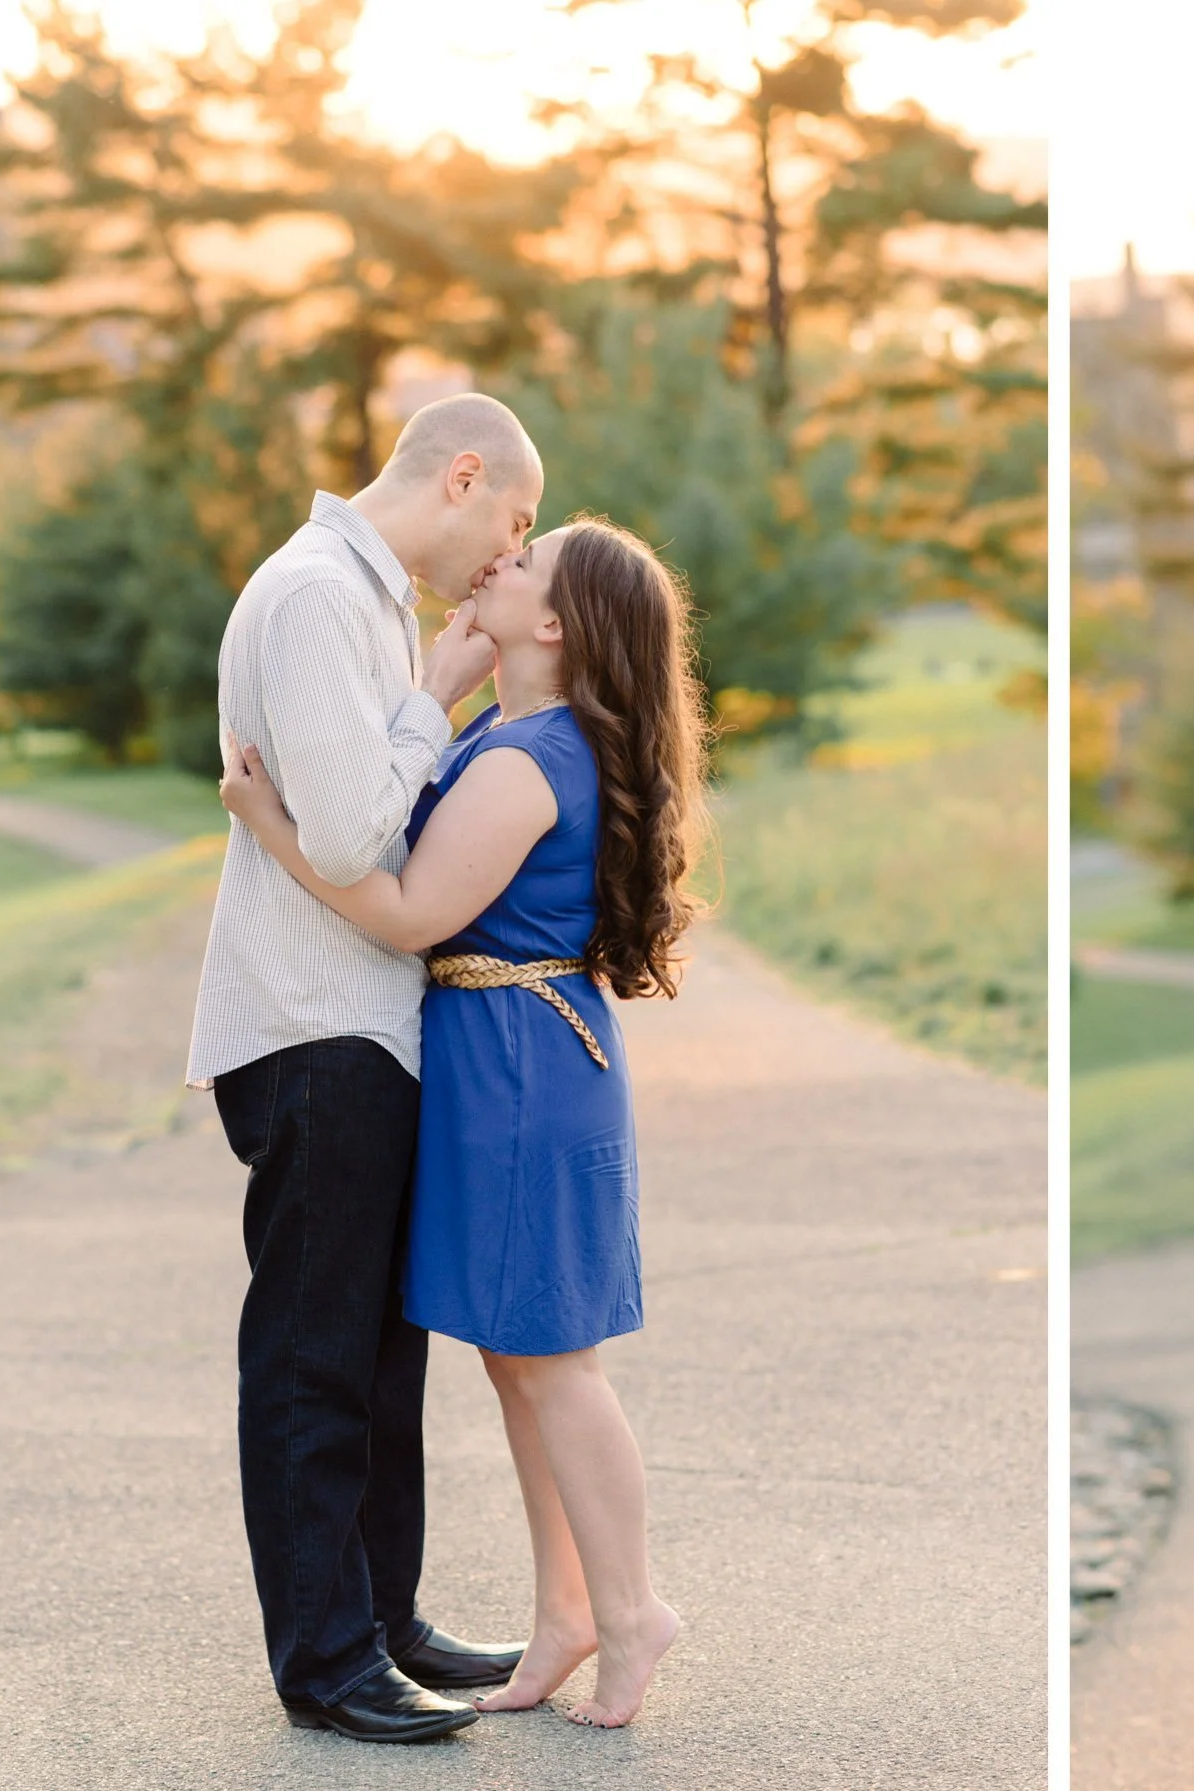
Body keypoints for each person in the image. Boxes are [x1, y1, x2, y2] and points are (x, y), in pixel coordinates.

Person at [221, 514, 709, 1730]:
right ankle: (566, 1614)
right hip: (510, 1058)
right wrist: (439, 687)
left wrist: (267, 824)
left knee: (553, 1359)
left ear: (554, 625)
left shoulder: (525, 760)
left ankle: (634, 1608)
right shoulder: (518, 733)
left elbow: (406, 914)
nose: (501, 561)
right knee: (517, 1357)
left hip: (523, 1074)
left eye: (525, 564)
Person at [186, 392, 544, 1744]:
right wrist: (440, 700)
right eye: (510, 519)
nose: (507, 552)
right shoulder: (314, 598)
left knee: (384, 1358)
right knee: (316, 1355)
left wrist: (420, 691)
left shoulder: (368, 598)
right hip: (313, 1026)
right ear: (462, 475)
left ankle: (382, 1622)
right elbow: (346, 840)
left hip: (365, 1024)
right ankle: (326, 1657)